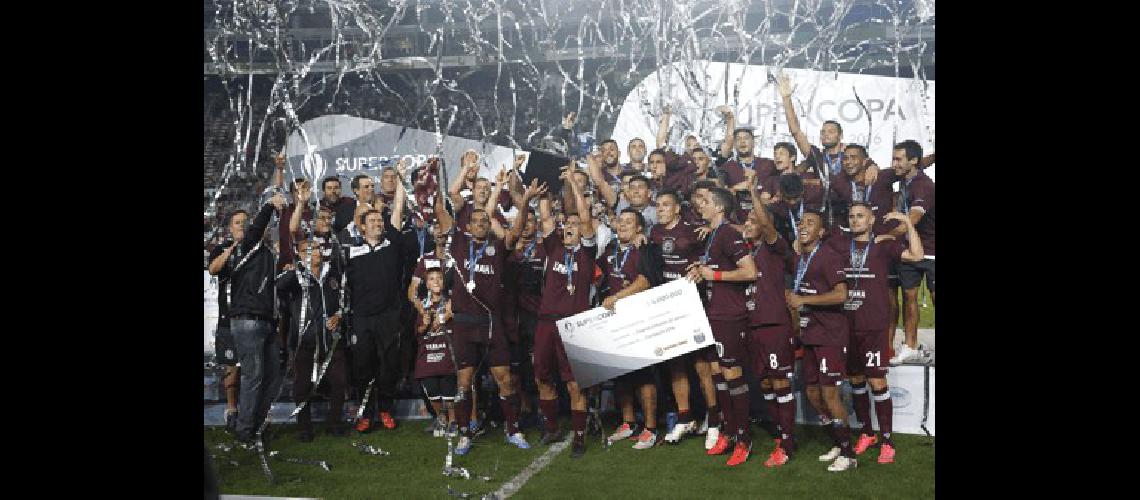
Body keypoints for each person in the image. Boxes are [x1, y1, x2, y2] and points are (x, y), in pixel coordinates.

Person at [433, 177, 545, 455]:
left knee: (504, 379)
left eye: (485, 221)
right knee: (464, 382)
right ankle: (464, 433)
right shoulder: (459, 242)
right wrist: (435, 183)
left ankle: (513, 429)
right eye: (477, 221)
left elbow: (517, 230)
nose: (481, 225)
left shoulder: (498, 249)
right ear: (468, 226)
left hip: (492, 325)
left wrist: (526, 201)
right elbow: (440, 211)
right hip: (463, 324)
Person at [826, 202, 924, 464]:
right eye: (852, 216)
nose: (855, 220)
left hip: (873, 325)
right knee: (856, 381)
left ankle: (887, 440)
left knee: (876, 382)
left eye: (860, 216)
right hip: (847, 324)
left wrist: (908, 222)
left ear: (871, 221)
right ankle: (867, 433)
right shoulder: (840, 245)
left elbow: (916, 256)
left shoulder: (883, 245)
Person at [687, 187, 758, 466]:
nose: (700, 205)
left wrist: (712, 274)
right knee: (718, 374)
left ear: (719, 207)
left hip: (731, 316)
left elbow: (749, 272)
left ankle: (744, 439)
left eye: (704, 201)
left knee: (731, 375)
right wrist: (701, 272)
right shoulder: (714, 235)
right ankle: (728, 433)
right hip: (714, 314)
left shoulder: (728, 233)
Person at [531, 170, 597, 458]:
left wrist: (573, 182)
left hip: (573, 325)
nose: (570, 227)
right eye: (566, 223)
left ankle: (579, 437)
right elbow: (546, 218)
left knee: (573, 382)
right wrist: (543, 195)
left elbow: (584, 216)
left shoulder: (588, 253)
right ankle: (552, 427)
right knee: (541, 377)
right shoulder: (553, 247)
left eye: (575, 224)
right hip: (546, 323)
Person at [787, 210, 855, 472]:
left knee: (829, 393)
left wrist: (804, 300)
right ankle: (838, 441)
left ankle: (848, 454)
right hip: (811, 334)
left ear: (822, 232)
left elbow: (841, 295)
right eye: (802, 222)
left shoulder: (828, 256)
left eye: (810, 223)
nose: (803, 226)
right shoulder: (801, 257)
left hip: (831, 335)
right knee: (812, 392)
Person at [649, 190, 718, 445]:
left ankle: (714, 419)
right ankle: (684, 417)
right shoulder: (654, 233)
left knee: (701, 363)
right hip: (668, 307)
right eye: (658, 205)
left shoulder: (694, 230)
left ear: (677, 209)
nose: (661, 209)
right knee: (675, 362)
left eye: (666, 205)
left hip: (693, 303)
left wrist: (701, 264)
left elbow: (712, 254)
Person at [740, 176, 799, 468]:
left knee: (780, 383)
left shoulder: (776, 248)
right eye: (746, 221)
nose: (748, 224)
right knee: (764, 383)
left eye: (752, 221)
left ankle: (787, 443)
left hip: (774, 324)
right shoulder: (745, 254)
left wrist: (752, 192)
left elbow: (765, 224)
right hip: (753, 326)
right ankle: (780, 433)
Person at [224, 192, 287, 444]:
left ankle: (257, 425)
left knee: (272, 375)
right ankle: (245, 430)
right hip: (248, 320)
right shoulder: (246, 247)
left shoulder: (267, 254)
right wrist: (271, 204)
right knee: (254, 376)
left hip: (267, 322)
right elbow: (258, 226)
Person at [343, 196, 407, 434]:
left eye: (380, 221)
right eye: (373, 221)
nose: (378, 224)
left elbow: (398, 211)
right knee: (362, 366)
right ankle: (365, 414)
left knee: (389, 364)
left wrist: (400, 183)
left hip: (389, 316)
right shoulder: (351, 252)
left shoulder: (393, 247)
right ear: (362, 226)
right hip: (361, 317)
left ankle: (385, 409)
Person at [277, 238, 349, 441]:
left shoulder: (333, 272)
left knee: (339, 381)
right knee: (301, 386)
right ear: (299, 254)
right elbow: (279, 285)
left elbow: (346, 300)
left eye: (316, 247)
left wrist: (339, 315)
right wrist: (296, 268)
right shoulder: (296, 276)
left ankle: (334, 423)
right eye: (307, 250)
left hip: (331, 339)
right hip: (304, 341)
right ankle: (304, 428)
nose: (314, 251)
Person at [600, 209, 661, 449]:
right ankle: (628, 422)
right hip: (614, 318)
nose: (623, 225)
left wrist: (617, 296)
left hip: (639, 317)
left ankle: (651, 428)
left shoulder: (644, 248)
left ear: (639, 228)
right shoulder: (610, 249)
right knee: (621, 373)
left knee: (644, 374)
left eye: (629, 222)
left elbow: (645, 281)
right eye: (620, 221)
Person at [885, 140, 935, 364]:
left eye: (898, 159)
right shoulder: (905, 182)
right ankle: (910, 346)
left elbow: (913, 218)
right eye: (894, 158)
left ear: (913, 161)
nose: (894, 163)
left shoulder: (923, 184)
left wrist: (889, 236)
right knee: (909, 297)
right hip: (910, 248)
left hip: (932, 250)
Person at [207, 210, 247, 434]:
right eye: (237, 223)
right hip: (228, 318)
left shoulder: (256, 248)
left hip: (252, 318)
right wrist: (232, 248)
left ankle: (253, 411)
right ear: (230, 228)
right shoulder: (221, 249)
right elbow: (213, 269)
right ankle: (232, 410)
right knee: (231, 367)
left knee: (252, 368)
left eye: (245, 223)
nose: (242, 226)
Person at [415, 267, 458, 438]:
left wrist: (448, 315)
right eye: (432, 279)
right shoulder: (422, 305)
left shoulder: (451, 302)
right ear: (426, 284)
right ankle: (441, 418)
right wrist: (425, 324)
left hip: (446, 350)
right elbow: (417, 331)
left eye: (439, 278)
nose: (436, 281)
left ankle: (453, 420)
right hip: (427, 352)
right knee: (432, 389)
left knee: (449, 390)